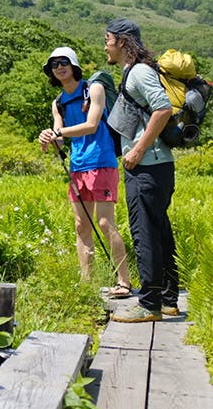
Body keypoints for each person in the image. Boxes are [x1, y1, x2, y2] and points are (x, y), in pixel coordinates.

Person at [38, 47, 131, 295]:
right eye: (54, 64)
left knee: (104, 222)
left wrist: (59, 133)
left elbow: (91, 125)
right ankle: (86, 282)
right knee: (81, 225)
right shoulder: (57, 103)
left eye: (64, 62)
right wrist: (48, 137)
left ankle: (124, 281)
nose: (59, 67)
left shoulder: (94, 89)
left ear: (74, 65)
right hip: (77, 166)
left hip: (102, 161)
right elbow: (59, 138)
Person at [104, 19, 178, 323]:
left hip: (147, 168)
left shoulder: (139, 72)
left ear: (122, 41)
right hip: (155, 168)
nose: (105, 45)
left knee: (145, 233)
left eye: (108, 39)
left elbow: (163, 109)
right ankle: (169, 299)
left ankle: (149, 305)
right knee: (160, 231)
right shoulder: (132, 71)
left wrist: (136, 150)